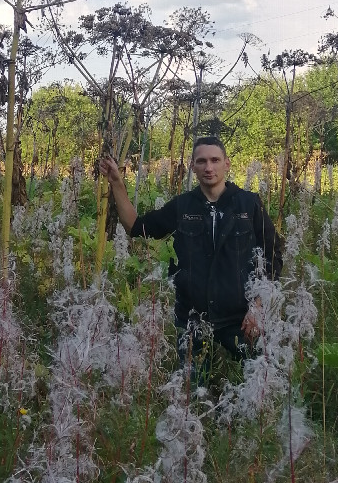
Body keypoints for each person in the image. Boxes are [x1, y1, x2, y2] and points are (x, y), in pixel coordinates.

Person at [99, 137, 283, 379]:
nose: (209, 167)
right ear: (192, 166)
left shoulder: (249, 205)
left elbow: (272, 256)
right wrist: (116, 183)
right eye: (202, 161)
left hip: (240, 319)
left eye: (215, 160)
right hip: (192, 320)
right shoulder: (182, 207)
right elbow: (136, 227)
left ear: (226, 164)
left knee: (259, 385)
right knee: (190, 396)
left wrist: (257, 308)